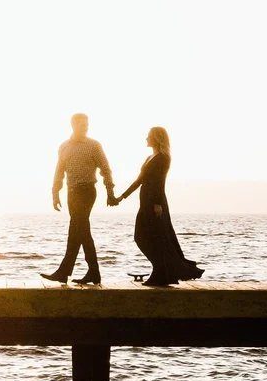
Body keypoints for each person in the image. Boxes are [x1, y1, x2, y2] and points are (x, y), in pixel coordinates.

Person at [110, 126, 203, 286]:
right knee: (142, 237)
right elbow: (139, 181)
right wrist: (121, 197)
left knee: (156, 238)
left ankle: (161, 273)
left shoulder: (163, 157)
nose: (146, 139)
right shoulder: (149, 158)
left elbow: (159, 182)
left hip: (155, 204)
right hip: (146, 202)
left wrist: (158, 204)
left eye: (148, 136)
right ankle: (161, 271)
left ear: (156, 138)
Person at [42, 113, 115, 286]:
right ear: (73, 125)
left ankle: (65, 271)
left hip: (87, 191)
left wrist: (110, 191)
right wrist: (55, 193)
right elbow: (59, 171)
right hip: (72, 193)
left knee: (77, 228)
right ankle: (92, 272)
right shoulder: (64, 146)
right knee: (79, 231)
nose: (85, 127)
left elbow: (105, 168)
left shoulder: (93, 145)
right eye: (82, 124)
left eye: (87, 125)